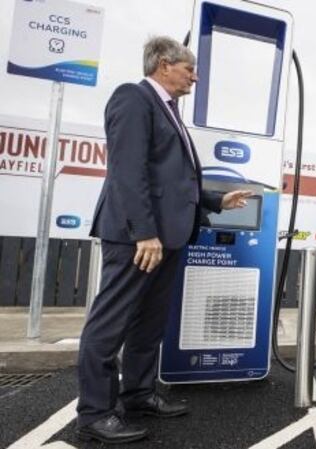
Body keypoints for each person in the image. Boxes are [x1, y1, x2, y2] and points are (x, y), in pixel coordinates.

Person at [75, 36, 252, 444]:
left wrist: (216, 199)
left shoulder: (169, 111)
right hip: (139, 237)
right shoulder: (133, 99)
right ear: (164, 65)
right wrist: (146, 233)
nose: (195, 75)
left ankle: (137, 395)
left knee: (148, 324)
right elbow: (127, 171)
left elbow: (172, 181)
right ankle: (95, 413)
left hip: (167, 238)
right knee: (110, 324)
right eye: (189, 68)